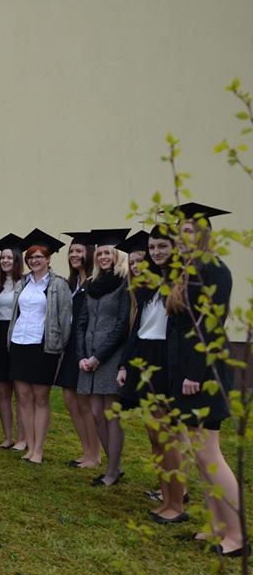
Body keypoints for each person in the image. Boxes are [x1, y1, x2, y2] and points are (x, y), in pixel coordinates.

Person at [166, 204, 242, 555]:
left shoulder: (214, 269)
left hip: (205, 371)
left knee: (209, 453)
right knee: (199, 454)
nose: (182, 238)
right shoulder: (188, 270)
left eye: (188, 231)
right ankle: (216, 526)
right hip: (187, 368)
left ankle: (237, 537)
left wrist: (194, 373)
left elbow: (211, 324)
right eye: (179, 232)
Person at [117, 225, 186, 522]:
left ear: (174, 248)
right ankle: (165, 495)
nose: (156, 252)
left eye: (162, 247)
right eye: (152, 247)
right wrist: (125, 364)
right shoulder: (149, 284)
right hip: (143, 357)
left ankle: (177, 504)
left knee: (167, 436)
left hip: (164, 362)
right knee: (154, 436)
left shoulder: (182, 282)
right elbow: (138, 328)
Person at [7, 229, 71, 464]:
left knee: (40, 398)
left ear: (48, 259)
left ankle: (38, 449)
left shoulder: (58, 284)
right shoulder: (22, 282)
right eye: (31, 257)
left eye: (39, 257)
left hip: (43, 346)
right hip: (19, 342)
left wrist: (60, 345)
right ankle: (29, 445)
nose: (34, 261)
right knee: (23, 397)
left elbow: (65, 318)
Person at [75, 229, 131, 486]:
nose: (103, 257)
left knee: (111, 414)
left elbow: (121, 325)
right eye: (99, 253)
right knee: (96, 414)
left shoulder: (124, 283)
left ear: (117, 255)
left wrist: (98, 357)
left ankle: (111, 471)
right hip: (89, 355)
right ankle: (114, 466)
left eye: (108, 252)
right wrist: (82, 355)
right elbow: (81, 322)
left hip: (111, 355)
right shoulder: (91, 284)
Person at [58, 232, 101, 468]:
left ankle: (94, 454)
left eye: (78, 251)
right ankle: (86, 450)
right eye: (71, 251)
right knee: (69, 400)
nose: (74, 255)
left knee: (84, 403)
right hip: (71, 346)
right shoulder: (72, 283)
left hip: (85, 347)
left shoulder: (95, 283)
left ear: (89, 254)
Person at [0, 234, 25, 449]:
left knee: (20, 392)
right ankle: (8, 436)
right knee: (2, 391)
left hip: (17, 337)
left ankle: (23, 438)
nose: (5, 261)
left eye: (9, 258)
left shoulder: (26, 284)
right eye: (2, 258)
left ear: (17, 260)